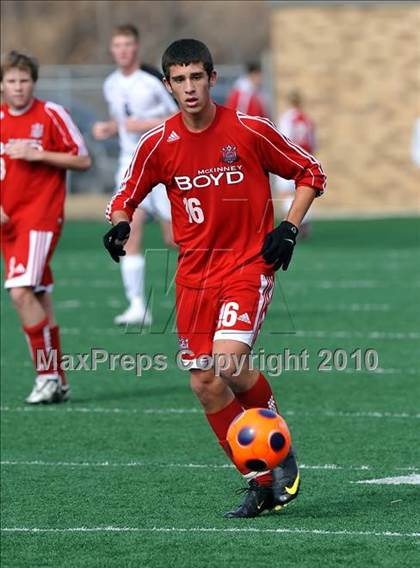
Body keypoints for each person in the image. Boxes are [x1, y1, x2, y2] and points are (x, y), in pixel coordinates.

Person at [104, 39, 326, 517]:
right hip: (193, 277)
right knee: (204, 382)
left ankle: (279, 448)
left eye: (196, 77)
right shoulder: (157, 144)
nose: (189, 88)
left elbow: (310, 171)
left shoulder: (248, 129)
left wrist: (287, 228)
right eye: (179, 80)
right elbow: (126, 195)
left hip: (247, 265)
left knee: (227, 363)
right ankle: (260, 481)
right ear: (167, 84)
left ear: (211, 79)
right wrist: (120, 223)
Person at [0, 51, 91, 404]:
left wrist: (39, 154)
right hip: (9, 224)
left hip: (39, 217)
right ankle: (58, 381)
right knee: (38, 298)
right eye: (11, 81)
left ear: (33, 83)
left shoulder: (51, 114)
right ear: (2, 85)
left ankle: (47, 375)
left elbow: (83, 158)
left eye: (24, 81)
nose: (18, 87)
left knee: (20, 292)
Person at [93, 24, 177, 326]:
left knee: (176, 239)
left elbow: (177, 116)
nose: (123, 50)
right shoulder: (110, 84)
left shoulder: (153, 81)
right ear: (112, 50)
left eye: (128, 44)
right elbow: (122, 120)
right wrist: (109, 128)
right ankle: (138, 305)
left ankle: (212, 287)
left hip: (162, 167)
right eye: (117, 45)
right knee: (128, 230)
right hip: (130, 167)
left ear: (136, 47)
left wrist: (143, 124)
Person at [276, 90, 317, 238]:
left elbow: (283, 139)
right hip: (305, 159)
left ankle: (293, 224)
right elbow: (313, 143)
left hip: (290, 159)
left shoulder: (287, 118)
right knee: (304, 191)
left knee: (286, 193)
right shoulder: (306, 119)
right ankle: (304, 223)